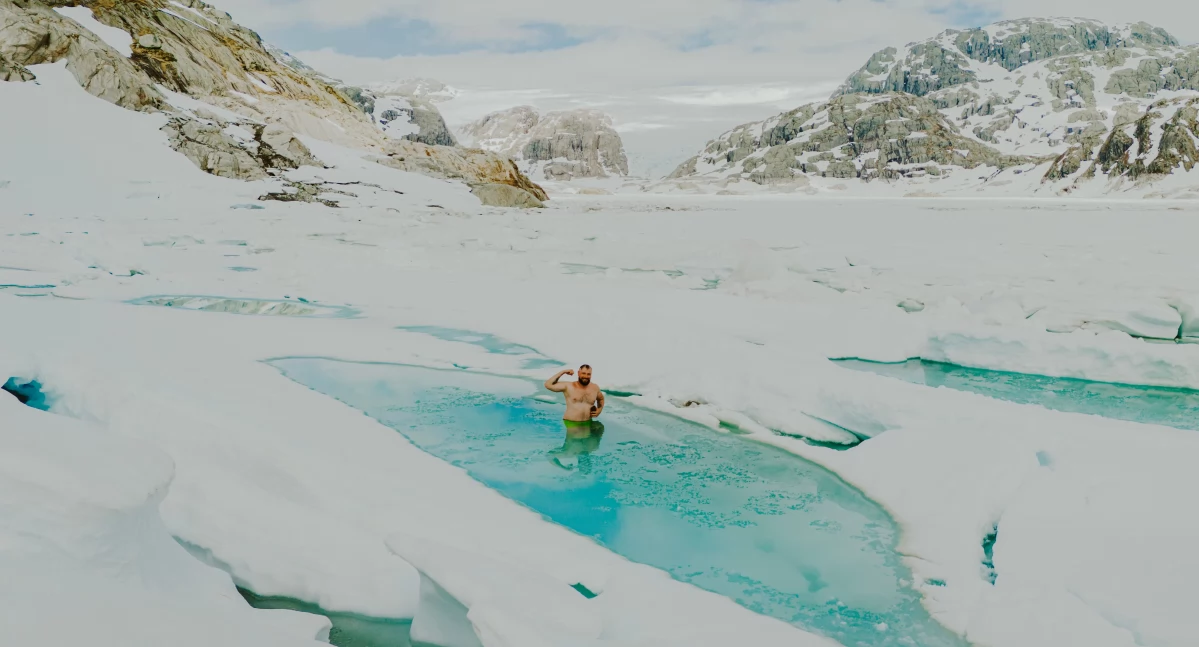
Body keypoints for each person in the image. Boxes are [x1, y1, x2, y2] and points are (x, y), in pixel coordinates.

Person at [544, 365, 606, 471]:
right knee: (577, 441)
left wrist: (599, 410)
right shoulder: (569, 386)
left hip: (587, 423)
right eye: (583, 373)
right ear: (578, 373)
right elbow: (548, 385)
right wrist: (563, 372)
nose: (586, 376)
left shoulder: (594, 387)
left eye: (588, 374)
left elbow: (601, 398)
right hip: (571, 423)